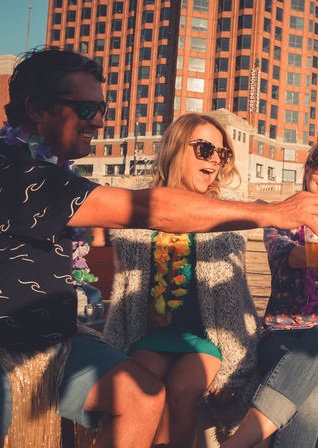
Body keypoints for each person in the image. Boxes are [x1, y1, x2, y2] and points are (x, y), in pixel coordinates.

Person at [0, 48, 318, 448]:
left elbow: (231, 303)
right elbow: (151, 209)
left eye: (101, 107)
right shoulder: (15, 176)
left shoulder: (54, 174)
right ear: (36, 109)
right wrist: (274, 212)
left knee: (143, 393)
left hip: (59, 342)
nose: (98, 119)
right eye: (85, 108)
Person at [101, 113, 259, 447]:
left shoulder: (224, 212)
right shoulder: (143, 207)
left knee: (181, 390)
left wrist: (235, 368)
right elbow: (123, 288)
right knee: (136, 389)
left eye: (222, 153)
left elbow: (234, 300)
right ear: (176, 149)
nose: (215, 159)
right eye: (205, 149)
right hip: (151, 336)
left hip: (206, 338)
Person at [221, 138, 318, 448]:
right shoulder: (281, 216)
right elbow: (285, 254)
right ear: (308, 168)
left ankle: (238, 442)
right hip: (283, 334)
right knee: (310, 403)